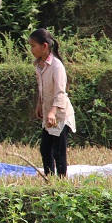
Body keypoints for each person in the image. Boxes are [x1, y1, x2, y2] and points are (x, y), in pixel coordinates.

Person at [29, 28, 76, 178]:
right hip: (49, 113)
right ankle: (49, 179)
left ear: (44, 46)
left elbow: (60, 92)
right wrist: (39, 104)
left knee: (58, 151)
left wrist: (52, 111)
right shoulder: (39, 65)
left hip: (60, 115)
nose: (31, 50)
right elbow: (42, 88)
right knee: (45, 149)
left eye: (33, 46)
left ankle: (61, 181)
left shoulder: (56, 66)